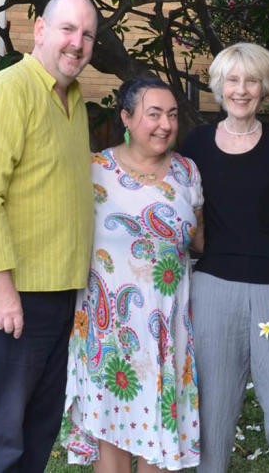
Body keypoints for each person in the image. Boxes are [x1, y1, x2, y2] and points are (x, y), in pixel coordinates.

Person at [0, 0, 97, 472]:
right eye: (67, 29)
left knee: (37, 432)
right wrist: (1, 288)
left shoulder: (74, 101)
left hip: (58, 295)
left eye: (87, 35)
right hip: (10, 293)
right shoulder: (8, 90)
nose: (76, 43)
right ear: (39, 29)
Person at [179, 42, 269, 473]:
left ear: (266, 88)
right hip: (213, 290)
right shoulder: (196, 144)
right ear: (219, 86)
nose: (241, 90)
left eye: (251, 80)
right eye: (232, 80)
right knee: (213, 410)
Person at [60, 79, 202, 471]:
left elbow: (200, 239)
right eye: (153, 113)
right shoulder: (94, 170)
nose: (165, 124)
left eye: (172, 114)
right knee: (114, 439)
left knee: (159, 437)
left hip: (167, 332)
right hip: (110, 334)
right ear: (126, 117)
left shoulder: (188, 173)